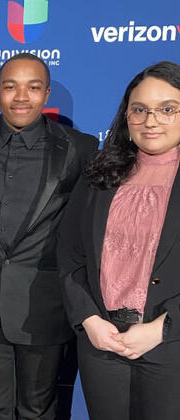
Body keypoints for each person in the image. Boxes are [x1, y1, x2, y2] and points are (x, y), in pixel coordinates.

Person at [0, 53, 98, 420]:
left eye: (33, 87)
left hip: (43, 305)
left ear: (46, 93)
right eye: (10, 86)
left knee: (38, 409)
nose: (21, 97)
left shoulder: (79, 148)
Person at [58, 61, 180, 420]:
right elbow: (69, 254)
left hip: (169, 345)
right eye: (139, 110)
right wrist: (90, 321)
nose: (151, 121)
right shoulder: (101, 171)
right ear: (126, 115)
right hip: (102, 343)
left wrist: (162, 328)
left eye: (167, 109)